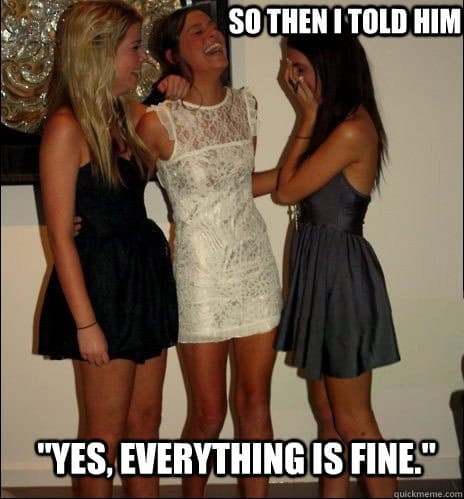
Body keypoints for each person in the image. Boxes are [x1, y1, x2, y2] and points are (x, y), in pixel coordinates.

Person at [137, 7, 282, 498]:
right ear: (174, 55)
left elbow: (242, 184)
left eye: (214, 27)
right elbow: (114, 180)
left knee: (256, 403)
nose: (213, 34)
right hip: (200, 274)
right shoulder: (159, 120)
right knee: (208, 413)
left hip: (254, 266)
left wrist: (308, 165)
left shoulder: (246, 105)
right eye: (197, 31)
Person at [38, 2, 181, 496]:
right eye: (134, 48)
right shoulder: (67, 126)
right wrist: (86, 325)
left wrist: (179, 90)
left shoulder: (128, 113)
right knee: (103, 437)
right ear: (99, 52)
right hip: (102, 287)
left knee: (146, 426)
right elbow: (60, 236)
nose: (142, 59)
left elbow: (181, 141)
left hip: (142, 277)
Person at [274, 31, 401, 498]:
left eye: (299, 67)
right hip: (321, 274)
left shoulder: (351, 129)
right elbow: (288, 187)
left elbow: (286, 190)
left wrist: (305, 117)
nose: (291, 77)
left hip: (341, 280)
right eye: (289, 66)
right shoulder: (336, 126)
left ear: (331, 68)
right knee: (329, 417)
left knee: (354, 423)